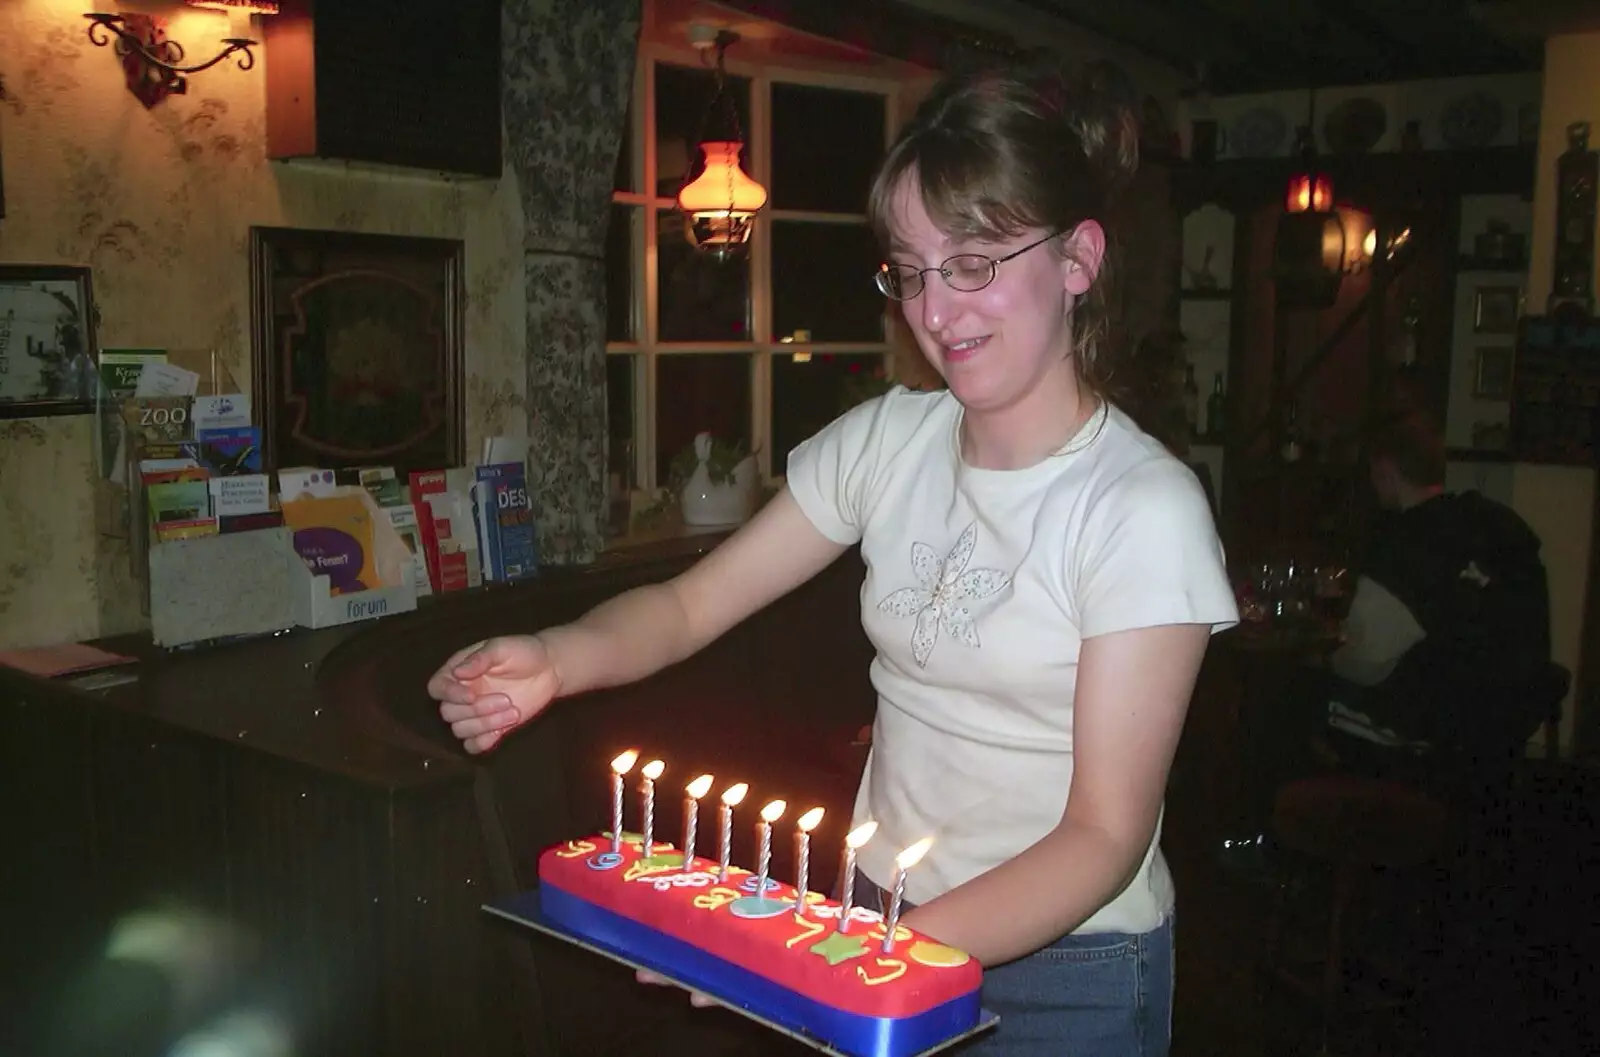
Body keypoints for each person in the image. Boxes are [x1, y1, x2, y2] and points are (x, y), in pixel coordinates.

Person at [429, 57, 1238, 1057]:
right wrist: (555, 656)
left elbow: (1101, 838)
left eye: (975, 260)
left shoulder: (1139, 507)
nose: (935, 312)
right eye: (911, 268)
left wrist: (845, 958)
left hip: (1062, 968)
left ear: (1078, 259)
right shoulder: (887, 442)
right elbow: (686, 609)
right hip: (882, 910)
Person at [1233, 409, 1552, 854]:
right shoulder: (1493, 529)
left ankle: (1274, 846)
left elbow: (1365, 663)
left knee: (1280, 701)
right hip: (1495, 726)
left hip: (1426, 732)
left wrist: (1323, 654)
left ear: (1384, 472)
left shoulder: (1409, 544)